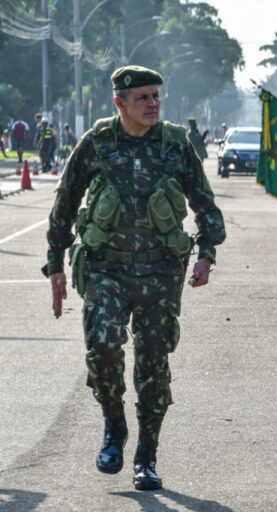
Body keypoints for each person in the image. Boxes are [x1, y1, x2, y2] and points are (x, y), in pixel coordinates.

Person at [43, 65, 226, 491]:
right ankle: (113, 425)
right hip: (106, 267)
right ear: (119, 103)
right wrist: (54, 265)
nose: (152, 104)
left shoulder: (176, 146)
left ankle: (147, 455)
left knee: (153, 364)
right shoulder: (97, 144)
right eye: (142, 97)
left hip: (161, 272)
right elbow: (65, 203)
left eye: (156, 96)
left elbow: (205, 205)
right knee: (103, 346)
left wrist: (206, 255)